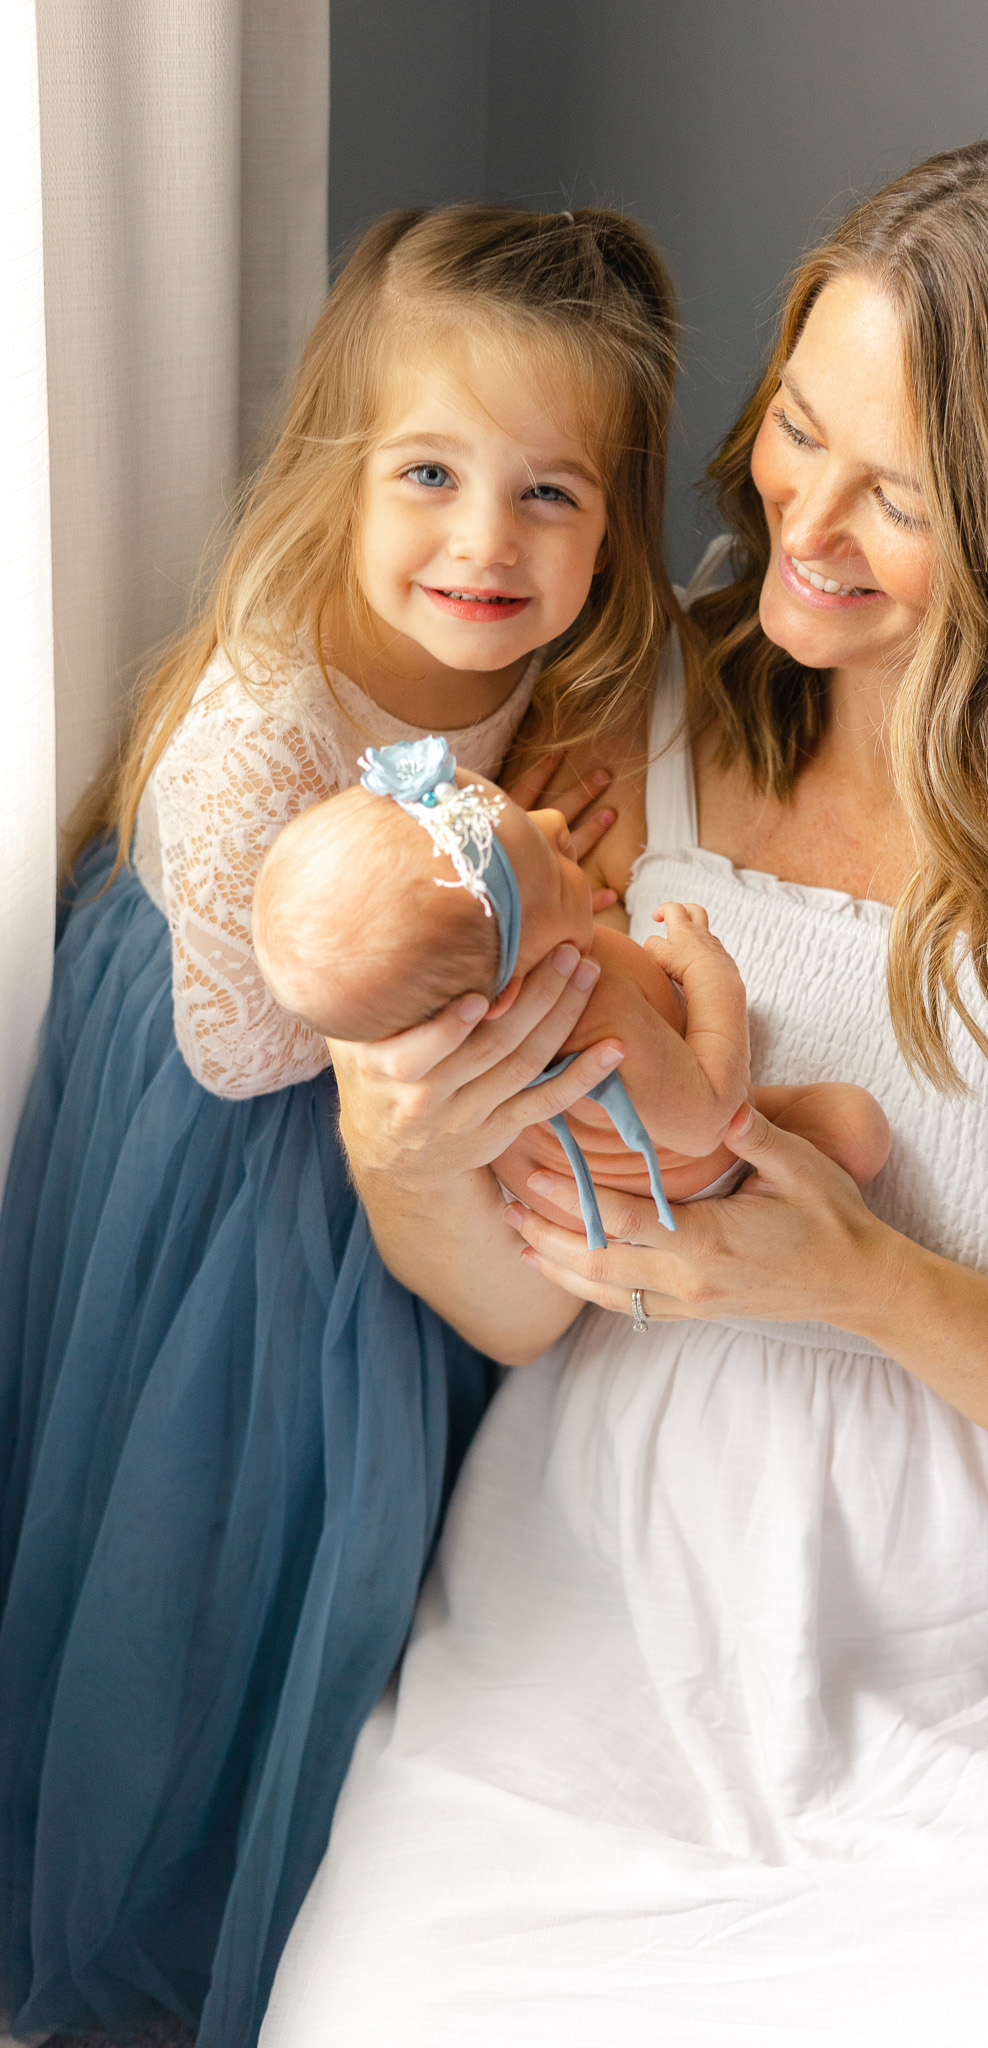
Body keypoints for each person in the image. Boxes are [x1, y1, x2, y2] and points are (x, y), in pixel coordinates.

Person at [263, 140, 988, 2047]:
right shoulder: (633, 706)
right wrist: (409, 1151)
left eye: (904, 498)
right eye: (795, 425)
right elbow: (524, 1298)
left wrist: (861, 1277)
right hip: (614, 1596)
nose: (805, 520)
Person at [0, 202, 686, 2048]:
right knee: (244, 1505)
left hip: (407, 1083)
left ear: (615, 518)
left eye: (553, 493)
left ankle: (377, 1857)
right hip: (239, 1139)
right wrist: (467, 979)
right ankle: (187, 1873)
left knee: (423, 1524)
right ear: (343, 466)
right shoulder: (255, 712)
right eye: (435, 472)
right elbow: (239, 1044)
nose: (487, 540)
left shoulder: (591, 684)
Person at [252, 749, 890, 1241]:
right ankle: (754, 1233)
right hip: (693, 1183)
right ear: (509, 993)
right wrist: (711, 973)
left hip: (571, 1189)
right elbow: (709, 1120)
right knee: (854, 1126)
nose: (557, 823)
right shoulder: (596, 1011)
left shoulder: (501, 1002)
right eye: (556, 876)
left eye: (521, 814)